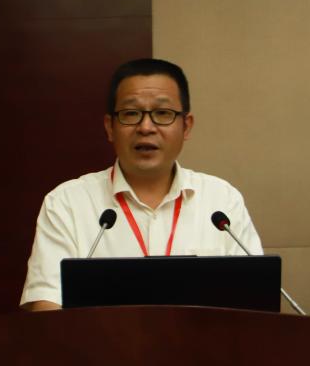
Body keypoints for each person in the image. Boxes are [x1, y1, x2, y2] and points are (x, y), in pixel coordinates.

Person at [20, 58, 263, 310]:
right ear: (110, 127)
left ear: (186, 126)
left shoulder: (222, 201)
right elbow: (46, 305)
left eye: (162, 113)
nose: (146, 127)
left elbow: (255, 303)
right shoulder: (68, 203)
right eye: (131, 114)